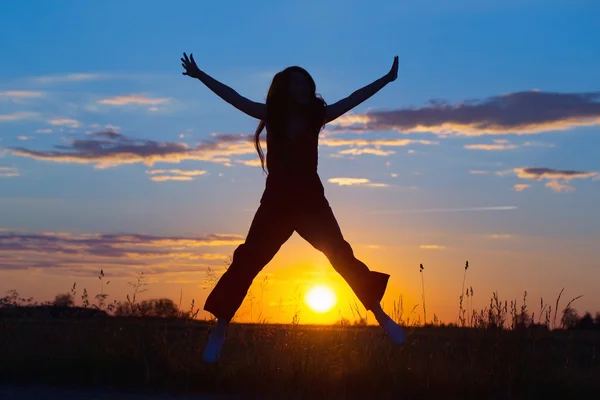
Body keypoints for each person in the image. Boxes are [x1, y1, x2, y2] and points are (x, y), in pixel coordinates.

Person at [181, 52, 405, 363]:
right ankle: (219, 331)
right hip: (276, 202)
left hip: (311, 202)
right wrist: (201, 75)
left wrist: (386, 79)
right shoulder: (272, 114)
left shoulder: (317, 116)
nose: (302, 87)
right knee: (247, 260)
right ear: (286, 88)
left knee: (341, 254)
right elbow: (233, 98)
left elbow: (353, 99)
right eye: (296, 82)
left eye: (305, 83)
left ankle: (380, 315)